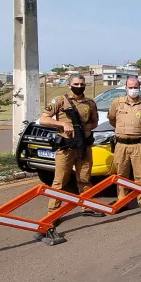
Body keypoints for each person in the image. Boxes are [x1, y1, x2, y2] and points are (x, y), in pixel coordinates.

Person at [39, 74, 99, 214]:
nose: (79, 87)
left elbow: (95, 122)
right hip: (66, 147)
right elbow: (44, 119)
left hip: (84, 146)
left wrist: (84, 128)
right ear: (69, 85)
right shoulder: (61, 100)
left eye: (82, 84)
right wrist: (62, 124)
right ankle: (53, 212)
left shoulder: (90, 103)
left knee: (84, 179)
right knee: (60, 181)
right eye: (76, 84)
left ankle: (87, 207)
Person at [107, 76, 141, 215]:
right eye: (130, 87)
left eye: (135, 87)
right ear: (126, 88)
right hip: (121, 145)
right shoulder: (117, 102)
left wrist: (140, 129)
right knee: (121, 175)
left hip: (139, 145)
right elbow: (112, 119)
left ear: (139, 88)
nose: (133, 90)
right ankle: (122, 201)